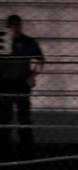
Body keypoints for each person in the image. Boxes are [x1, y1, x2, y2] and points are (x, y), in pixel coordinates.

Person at [0, 15, 44, 157]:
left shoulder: (27, 42)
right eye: (11, 25)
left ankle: (27, 150)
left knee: (23, 116)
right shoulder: (3, 42)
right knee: (4, 116)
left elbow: (40, 60)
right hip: (4, 82)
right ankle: (5, 150)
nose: (14, 28)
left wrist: (32, 76)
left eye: (17, 25)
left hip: (21, 82)